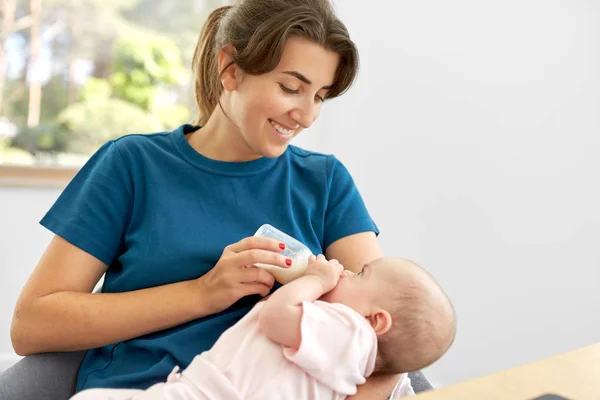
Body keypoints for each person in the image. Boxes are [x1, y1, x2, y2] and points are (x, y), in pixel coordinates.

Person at [8, 0, 451, 398]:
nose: (307, 115)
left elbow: (382, 340)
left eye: (319, 96)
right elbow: (33, 325)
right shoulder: (134, 164)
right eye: (291, 88)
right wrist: (203, 293)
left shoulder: (325, 181)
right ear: (231, 69)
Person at [70, 256, 456, 399]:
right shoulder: (348, 357)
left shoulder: (349, 331)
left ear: (376, 321)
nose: (342, 269)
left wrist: (316, 280)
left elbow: (275, 317)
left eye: (358, 274)